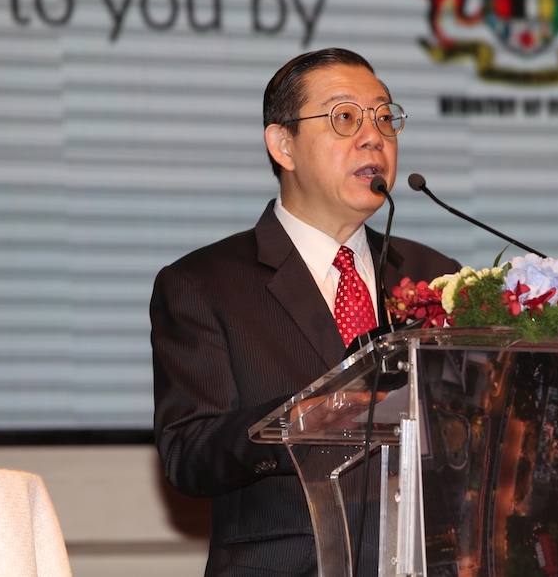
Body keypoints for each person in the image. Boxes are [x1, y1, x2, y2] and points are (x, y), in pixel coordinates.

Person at [150, 47, 460, 576]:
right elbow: (190, 454)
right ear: (283, 145)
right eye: (345, 118)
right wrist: (304, 417)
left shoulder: (436, 276)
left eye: (385, 117)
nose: (374, 138)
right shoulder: (203, 284)